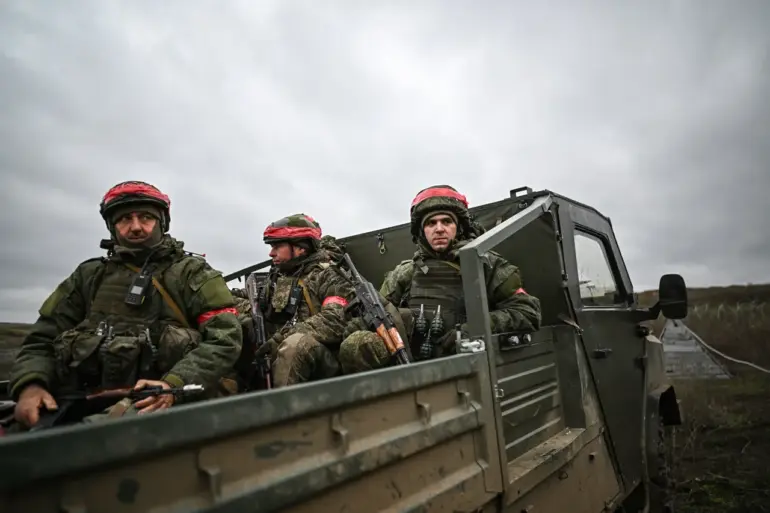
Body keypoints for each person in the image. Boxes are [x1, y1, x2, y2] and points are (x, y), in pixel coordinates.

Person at [6, 181, 243, 430]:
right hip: (85, 395)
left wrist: (173, 383)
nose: (136, 227)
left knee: (80, 438)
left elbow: (225, 339)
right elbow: (42, 339)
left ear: (162, 222)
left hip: (165, 398)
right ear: (112, 226)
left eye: (146, 217)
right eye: (124, 219)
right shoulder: (88, 276)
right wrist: (31, 385)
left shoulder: (193, 273)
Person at [231, 214, 411, 388]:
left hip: (325, 359)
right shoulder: (277, 278)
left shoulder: (327, 276)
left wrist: (280, 338)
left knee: (297, 344)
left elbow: (334, 318)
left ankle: (281, 406)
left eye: (277, 246)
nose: (271, 253)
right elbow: (248, 298)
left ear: (300, 248)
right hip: (281, 352)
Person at [369, 184, 542, 362]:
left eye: (446, 221)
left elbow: (527, 312)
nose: (439, 229)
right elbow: (378, 316)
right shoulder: (405, 273)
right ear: (422, 231)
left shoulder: (486, 265)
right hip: (413, 366)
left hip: (469, 365)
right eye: (431, 223)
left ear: (458, 227)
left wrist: (473, 329)